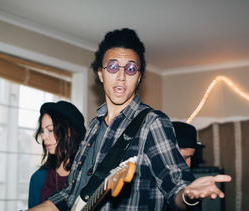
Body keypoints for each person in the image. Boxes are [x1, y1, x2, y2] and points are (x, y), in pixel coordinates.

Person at [28, 28, 231, 210]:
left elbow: (176, 183)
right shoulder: (93, 127)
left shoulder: (152, 123)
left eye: (131, 68)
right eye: (113, 67)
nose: (122, 76)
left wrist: (187, 195)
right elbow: (71, 195)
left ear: (139, 77)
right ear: (100, 73)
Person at [28, 101, 86, 208]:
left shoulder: (86, 174)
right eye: (42, 131)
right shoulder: (38, 178)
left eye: (50, 130)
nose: (44, 137)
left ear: (69, 132)